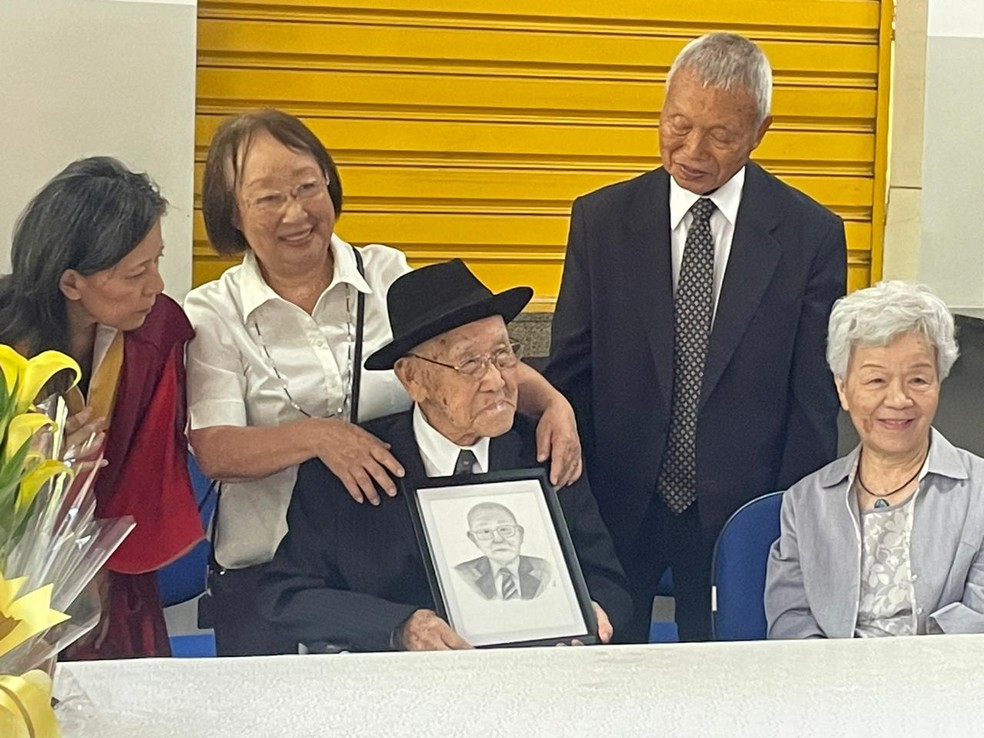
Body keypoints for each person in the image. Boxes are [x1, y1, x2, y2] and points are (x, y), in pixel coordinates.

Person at [184, 110, 584, 656]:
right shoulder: (213, 309)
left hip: (393, 571)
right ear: (232, 212)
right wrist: (323, 437)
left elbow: (463, 355)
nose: (296, 212)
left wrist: (554, 403)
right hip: (269, 577)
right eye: (268, 198)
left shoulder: (384, 272)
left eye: (307, 187)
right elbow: (215, 448)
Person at [547, 32, 847, 642]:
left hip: (740, 511)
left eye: (721, 135)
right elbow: (570, 374)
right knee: (604, 667)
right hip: (617, 499)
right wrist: (567, 504)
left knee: (725, 676)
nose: (691, 150)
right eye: (677, 124)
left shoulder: (810, 235)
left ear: (760, 131)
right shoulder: (601, 221)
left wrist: (788, 523)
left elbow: (811, 404)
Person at [258, 260, 631, 651]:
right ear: (412, 378)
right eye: (469, 362)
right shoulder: (349, 470)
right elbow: (286, 596)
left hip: (530, 682)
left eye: (503, 355)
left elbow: (607, 581)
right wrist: (398, 628)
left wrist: (594, 611)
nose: (496, 381)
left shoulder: (545, 451)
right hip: (398, 690)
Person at [0, 156, 202, 659]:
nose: (155, 285)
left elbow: (150, 467)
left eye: (157, 261)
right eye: (136, 273)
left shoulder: (158, 333)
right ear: (71, 284)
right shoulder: (6, 342)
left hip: (112, 571)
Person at [766, 281, 984, 638]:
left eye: (918, 379)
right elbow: (791, 622)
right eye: (876, 380)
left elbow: (979, 621)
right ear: (843, 389)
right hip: (829, 684)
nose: (898, 399)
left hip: (943, 683)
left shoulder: (979, 493)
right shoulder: (805, 502)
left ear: (939, 383)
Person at [455, 502, 552, 600]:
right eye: (485, 532)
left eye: (505, 529)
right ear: (473, 539)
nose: (498, 539)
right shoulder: (461, 575)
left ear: (520, 533)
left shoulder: (545, 570)